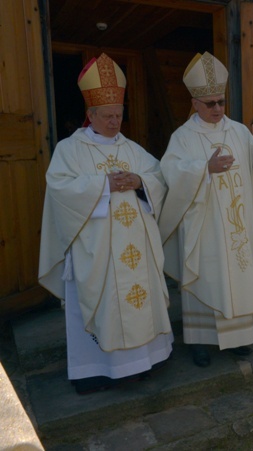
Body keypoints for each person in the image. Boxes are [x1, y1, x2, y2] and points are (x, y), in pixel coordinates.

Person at [38, 53, 173, 394]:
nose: (115, 122)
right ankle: (95, 370)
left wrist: (140, 181)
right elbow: (59, 188)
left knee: (138, 299)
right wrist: (104, 185)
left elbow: (158, 176)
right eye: (108, 116)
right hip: (96, 251)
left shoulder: (131, 147)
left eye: (119, 115)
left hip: (135, 250)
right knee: (105, 305)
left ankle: (143, 363)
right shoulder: (70, 150)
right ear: (91, 115)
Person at [158, 52, 253, 368]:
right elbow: (170, 173)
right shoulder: (181, 138)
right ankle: (199, 343)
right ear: (195, 103)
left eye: (221, 102)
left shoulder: (238, 131)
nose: (218, 109)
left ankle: (237, 339)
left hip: (235, 225)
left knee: (234, 274)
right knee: (205, 276)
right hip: (203, 226)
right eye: (210, 104)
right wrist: (203, 169)